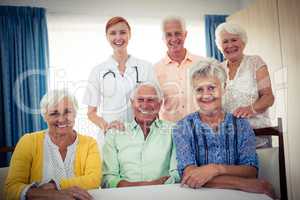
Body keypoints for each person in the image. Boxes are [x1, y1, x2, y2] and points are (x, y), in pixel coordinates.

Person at [172, 61, 275, 199]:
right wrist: (245, 184)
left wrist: (215, 169)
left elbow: (250, 171)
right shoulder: (182, 127)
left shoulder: (242, 125)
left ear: (224, 87)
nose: (206, 95)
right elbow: (189, 175)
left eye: (211, 88)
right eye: (199, 89)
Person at [4, 89, 101, 200]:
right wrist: (54, 195)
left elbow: (94, 179)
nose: (61, 119)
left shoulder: (89, 143)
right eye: (54, 113)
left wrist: (56, 185)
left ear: (75, 114)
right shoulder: (28, 142)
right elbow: (11, 189)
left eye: (67, 112)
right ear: (44, 116)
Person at [83, 16, 156, 140]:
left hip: (141, 134)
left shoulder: (146, 67)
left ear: (129, 35)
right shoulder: (98, 71)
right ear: (107, 37)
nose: (118, 37)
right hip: (111, 136)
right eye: (112, 33)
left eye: (122, 32)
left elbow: (156, 104)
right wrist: (106, 126)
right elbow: (91, 113)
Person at [102, 82, 179, 188]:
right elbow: (108, 178)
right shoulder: (115, 133)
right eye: (140, 100)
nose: (145, 105)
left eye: (151, 100)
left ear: (160, 103)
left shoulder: (174, 131)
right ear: (132, 103)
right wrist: (149, 185)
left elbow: (176, 175)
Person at [215, 22, 275, 147]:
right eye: (225, 41)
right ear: (220, 46)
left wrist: (251, 109)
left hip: (256, 136)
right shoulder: (217, 69)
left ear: (243, 42)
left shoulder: (255, 62)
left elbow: (268, 97)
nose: (230, 45)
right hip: (228, 140)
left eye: (234, 40)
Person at [154, 16, 211, 122]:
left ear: (185, 35)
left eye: (177, 33)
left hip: (200, 129)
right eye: (168, 35)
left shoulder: (203, 64)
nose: (174, 39)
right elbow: (153, 106)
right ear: (163, 38)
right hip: (170, 132)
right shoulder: (155, 69)